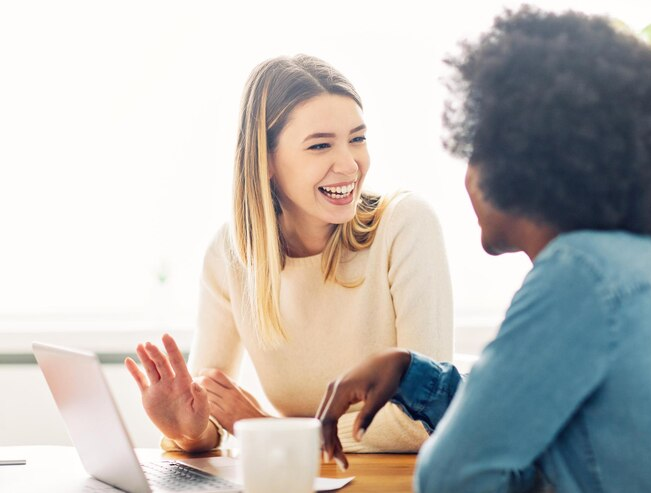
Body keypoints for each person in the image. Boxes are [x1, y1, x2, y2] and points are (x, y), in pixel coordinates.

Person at [317, 7, 651, 492]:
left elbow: (451, 476)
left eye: (476, 149)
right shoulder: (643, 268)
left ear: (523, 161)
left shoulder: (579, 278)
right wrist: (407, 372)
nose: (467, 177)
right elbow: (526, 424)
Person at [124, 55, 453, 456]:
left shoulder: (405, 225)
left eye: (358, 138)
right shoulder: (232, 255)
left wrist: (269, 431)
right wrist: (191, 429)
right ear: (265, 162)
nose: (350, 164)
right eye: (320, 145)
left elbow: (424, 418)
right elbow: (214, 411)